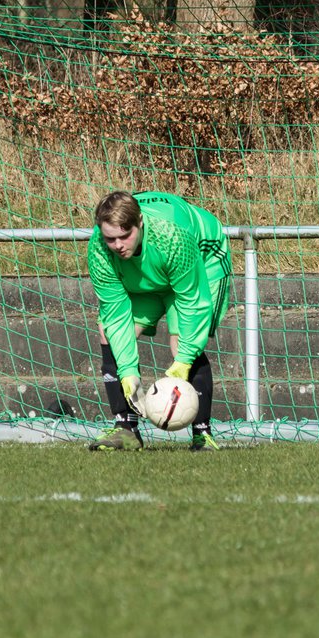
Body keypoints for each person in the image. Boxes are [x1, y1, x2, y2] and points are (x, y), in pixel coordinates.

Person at [86, 190, 232, 452]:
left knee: (182, 342)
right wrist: (128, 372)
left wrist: (184, 361)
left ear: (139, 222)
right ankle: (125, 430)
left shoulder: (172, 236)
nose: (118, 245)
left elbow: (192, 301)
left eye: (125, 235)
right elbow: (115, 312)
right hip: (150, 273)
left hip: (201, 258)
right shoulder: (98, 248)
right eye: (111, 238)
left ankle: (202, 435)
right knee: (107, 331)